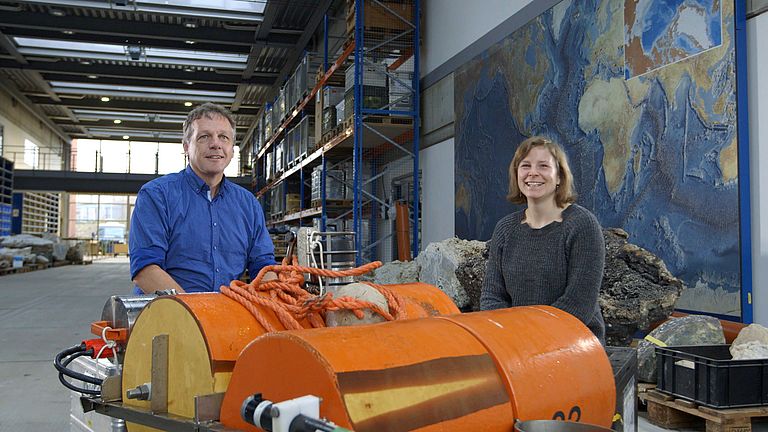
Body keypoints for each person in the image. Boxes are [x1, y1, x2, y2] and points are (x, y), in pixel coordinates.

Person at [129, 103, 277, 294]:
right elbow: (146, 270)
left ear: (232, 148)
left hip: (225, 313)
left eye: (223, 137)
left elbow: (263, 264)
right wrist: (196, 316)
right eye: (204, 136)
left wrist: (274, 296)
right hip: (165, 314)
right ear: (186, 146)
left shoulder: (247, 204)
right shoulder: (157, 196)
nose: (215, 143)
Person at [480, 136, 606, 343]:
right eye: (526, 165)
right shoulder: (505, 229)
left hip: (573, 343)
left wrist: (529, 336)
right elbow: (491, 297)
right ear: (517, 174)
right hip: (516, 341)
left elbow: (578, 303)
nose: (533, 173)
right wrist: (511, 335)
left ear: (559, 177)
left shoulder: (582, 225)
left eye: (543, 166)